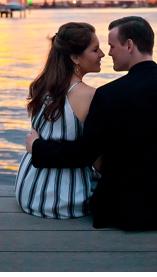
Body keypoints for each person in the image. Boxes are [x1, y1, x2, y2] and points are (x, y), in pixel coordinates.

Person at [26, 16, 157, 230]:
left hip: (126, 208)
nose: (108, 53)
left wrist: (38, 148)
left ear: (129, 45)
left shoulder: (109, 94)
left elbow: (85, 153)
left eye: (111, 46)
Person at [16, 21, 103, 218]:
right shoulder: (90, 96)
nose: (102, 54)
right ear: (75, 57)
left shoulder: (41, 86)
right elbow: (97, 162)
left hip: (29, 190)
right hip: (66, 199)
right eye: (95, 49)